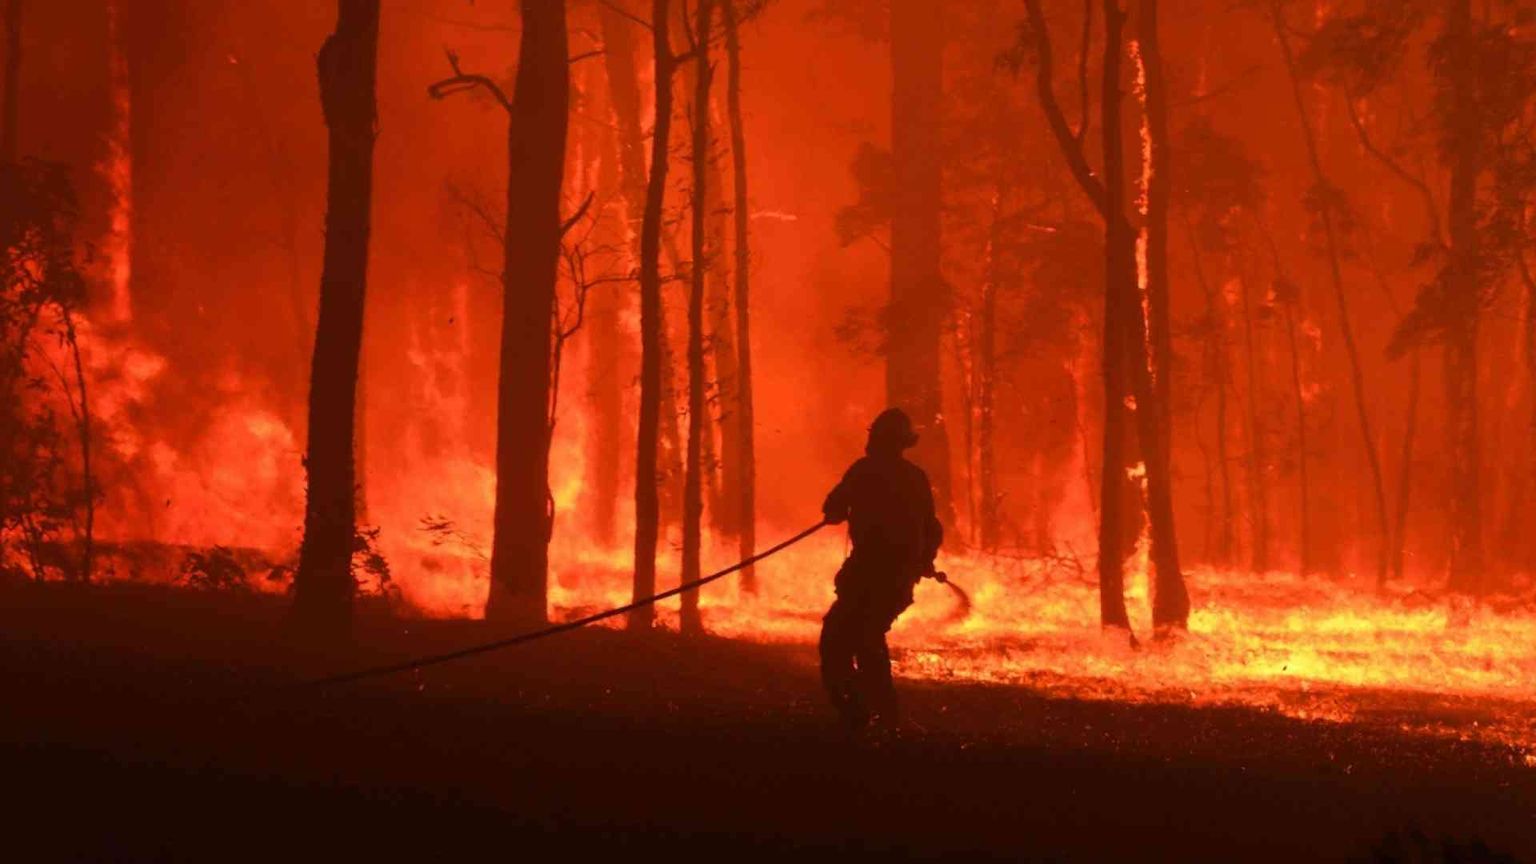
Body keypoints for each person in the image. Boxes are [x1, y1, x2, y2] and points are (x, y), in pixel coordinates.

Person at [818, 407, 943, 731]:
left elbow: (832, 508)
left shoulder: (863, 471)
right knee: (864, 638)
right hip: (894, 580)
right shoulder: (915, 478)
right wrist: (923, 560)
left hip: (869, 576)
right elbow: (933, 529)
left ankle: (868, 716)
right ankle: (873, 717)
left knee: (843, 642)